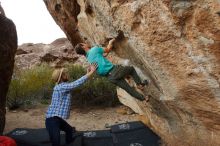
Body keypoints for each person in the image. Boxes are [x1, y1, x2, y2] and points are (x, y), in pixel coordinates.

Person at [74, 39, 149, 101]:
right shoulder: (94, 49)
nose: (86, 43)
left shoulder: (88, 58)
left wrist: (105, 55)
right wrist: (110, 42)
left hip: (110, 78)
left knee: (128, 89)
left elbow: (101, 57)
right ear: (83, 46)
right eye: (84, 43)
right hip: (114, 70)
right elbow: (107, 49)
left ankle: (144, 98)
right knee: (131, 69)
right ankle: (139, 84)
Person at [45, 64, 97, 146]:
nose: (67, 75)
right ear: (61, 77)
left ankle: (69, 142)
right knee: (56, 142)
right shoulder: (61, 87)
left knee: (69, 130)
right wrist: (91, 73)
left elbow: (75, 83)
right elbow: (76, 83)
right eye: (65, 74)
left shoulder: (61, 86)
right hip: (52, 120)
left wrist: (87, 74)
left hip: (56, 119)